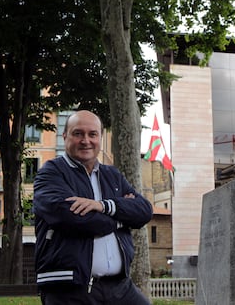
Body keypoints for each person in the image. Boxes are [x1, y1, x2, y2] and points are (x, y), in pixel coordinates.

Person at [33, 110, 153, 305]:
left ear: (100, 138)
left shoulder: (112, 175)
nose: (85, 140)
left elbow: (144, 210)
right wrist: (122, 218)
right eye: (78, 133)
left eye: (92, 134)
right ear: (65, 137)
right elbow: (71, 218)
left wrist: (102, 206)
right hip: (69, 288)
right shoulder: (51, 173)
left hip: (120, 288)